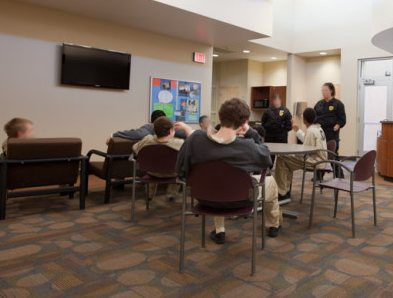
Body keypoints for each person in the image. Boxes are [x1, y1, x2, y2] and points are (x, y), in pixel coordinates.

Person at [175, 98, 282, 244]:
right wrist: (252, 133)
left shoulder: (195, 139)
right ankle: (273, 225)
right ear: (244, 122)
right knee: (271, 181)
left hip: (204, 196)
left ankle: (220, 231)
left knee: (217, 180)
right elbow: (267, 160)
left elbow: (180, 170)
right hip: (242, 199)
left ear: (219, 117)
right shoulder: (247, 147)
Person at [276, 108, 327, 200]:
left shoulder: (311, 131)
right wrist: (297, 130)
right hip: (321, 160)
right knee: (286, 160)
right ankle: (284, 191)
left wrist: (293, 153)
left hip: (315, 161)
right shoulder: (318, 128)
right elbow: (308, 142)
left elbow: (305, 150)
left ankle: (282, 192)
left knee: (282, 158)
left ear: (304, 120)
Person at [314, 82, 346, 174]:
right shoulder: (319, 104)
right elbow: (315, 116)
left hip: (332, 133)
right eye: (322, 90)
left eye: (325, 90)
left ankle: (339, 176)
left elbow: (342, 119)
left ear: (331, 91)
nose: (323, 92)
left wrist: (336, 127)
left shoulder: (338, 104)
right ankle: (318, 176)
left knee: (333, 155)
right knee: (320, 154)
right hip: (320, 133)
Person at [107, 110, 188, 144]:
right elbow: (187, 134)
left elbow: (137, 134)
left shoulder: (147, 130)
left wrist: (114, 135)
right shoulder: (178, 143)